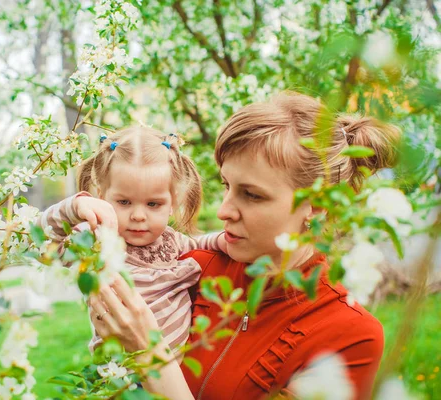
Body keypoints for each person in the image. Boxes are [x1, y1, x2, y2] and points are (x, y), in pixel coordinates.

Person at [87, 92, 400, 399]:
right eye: (226, 185)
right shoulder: (193, 268)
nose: (224, 210)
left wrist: (151, 356)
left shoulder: (350, 337)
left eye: (252, 195)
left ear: (315, 207)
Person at [37, 126, 227, 352]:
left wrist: (228, 240)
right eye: (124, 202)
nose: (138, 215)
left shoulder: (172, 241)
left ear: (172, 204)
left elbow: (204, 244)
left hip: (179, 372)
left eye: (153, 204)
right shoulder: (96, 240)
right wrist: (73, 207)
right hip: (125, 371)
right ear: (101, 196)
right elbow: (43, 244)